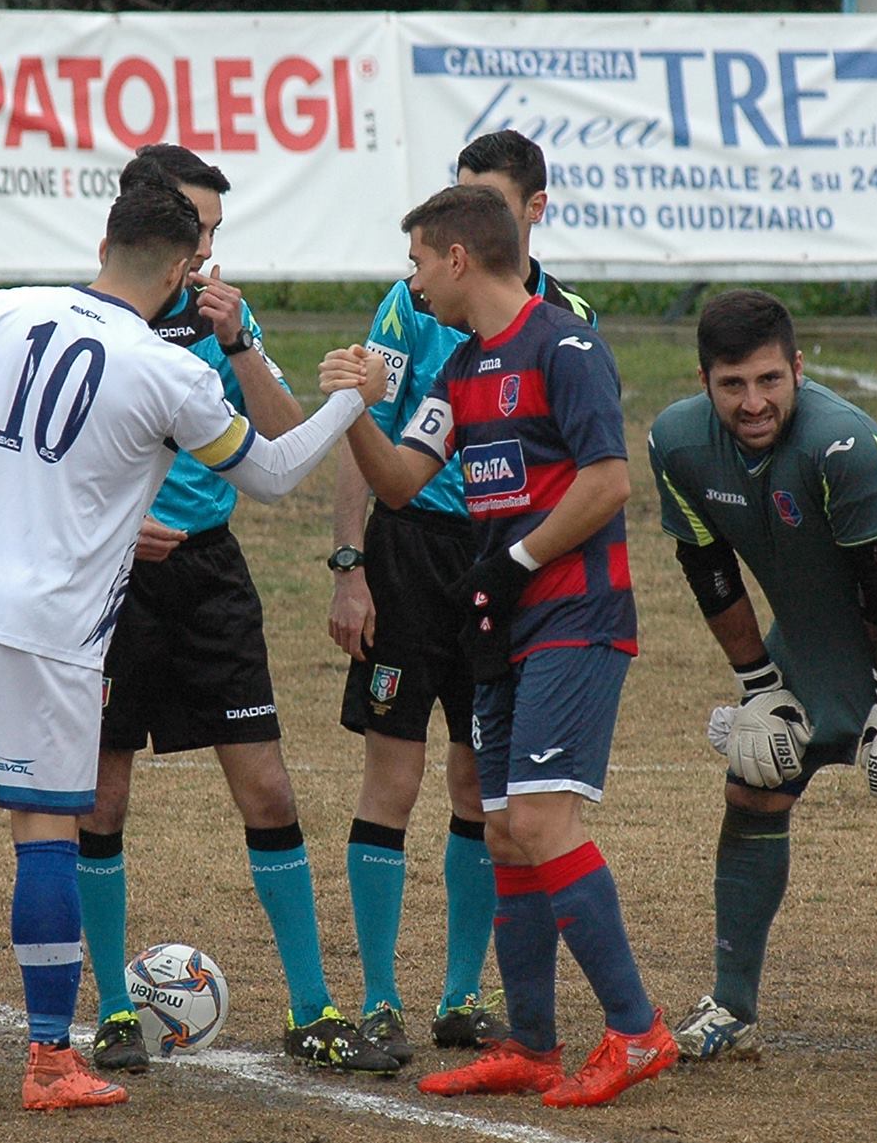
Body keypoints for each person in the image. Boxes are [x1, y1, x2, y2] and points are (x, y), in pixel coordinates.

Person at [0, 176, 385, 1111]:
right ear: (178, 273)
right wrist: (354, 401)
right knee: (46, 828)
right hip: (47, 622)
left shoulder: (1, 309)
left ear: (104, 243)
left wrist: (2, 460)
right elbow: (270, 474)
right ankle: (51, 1058)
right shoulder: (166, 369)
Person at [320, 184, 675, 1108]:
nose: (413, 283)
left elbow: (607, 481)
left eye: (419, 264)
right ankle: (532, 1042)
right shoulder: (463, 367)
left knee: (543, 822)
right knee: (506, 829)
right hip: (505, 626)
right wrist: (354, 410)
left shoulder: (566, 346)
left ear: (458, 258)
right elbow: (402, 482)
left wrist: (514, 561)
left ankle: (638, 1029)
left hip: (574, 617)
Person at [77, 146, 396, 1077]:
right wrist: (113, 526)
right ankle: (113, 1012)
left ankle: (312, 1006)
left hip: (210, 575)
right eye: (196, 228)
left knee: (268, 788)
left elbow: (287, 437)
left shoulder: (224, 313)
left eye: (215, 230)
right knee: (101, 795)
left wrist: (240, 342)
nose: (208, 249)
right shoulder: (89, 315)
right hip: (111, 577)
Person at [645, 289, 877, 1081]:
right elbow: (708, 569)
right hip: (817, 611)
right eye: (732, 384)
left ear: (798, 368)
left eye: (769, 379)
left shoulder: (843, 442)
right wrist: (759, 685)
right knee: (753, 784)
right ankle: (733, 1006)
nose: (753, 401)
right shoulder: (675, 443)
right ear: (704, 381)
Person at [328, 129, 594, 1063]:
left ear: (531, 210)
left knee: (481, 781)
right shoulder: (412, 303)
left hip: (502, 562)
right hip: (409, 556)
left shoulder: (566, 320)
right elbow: (375, 435)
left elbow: (589, 466)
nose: (464, 217)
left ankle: (461, 994)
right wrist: (349, 563)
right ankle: (378, 998)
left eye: (487, 199)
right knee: (392, 775)